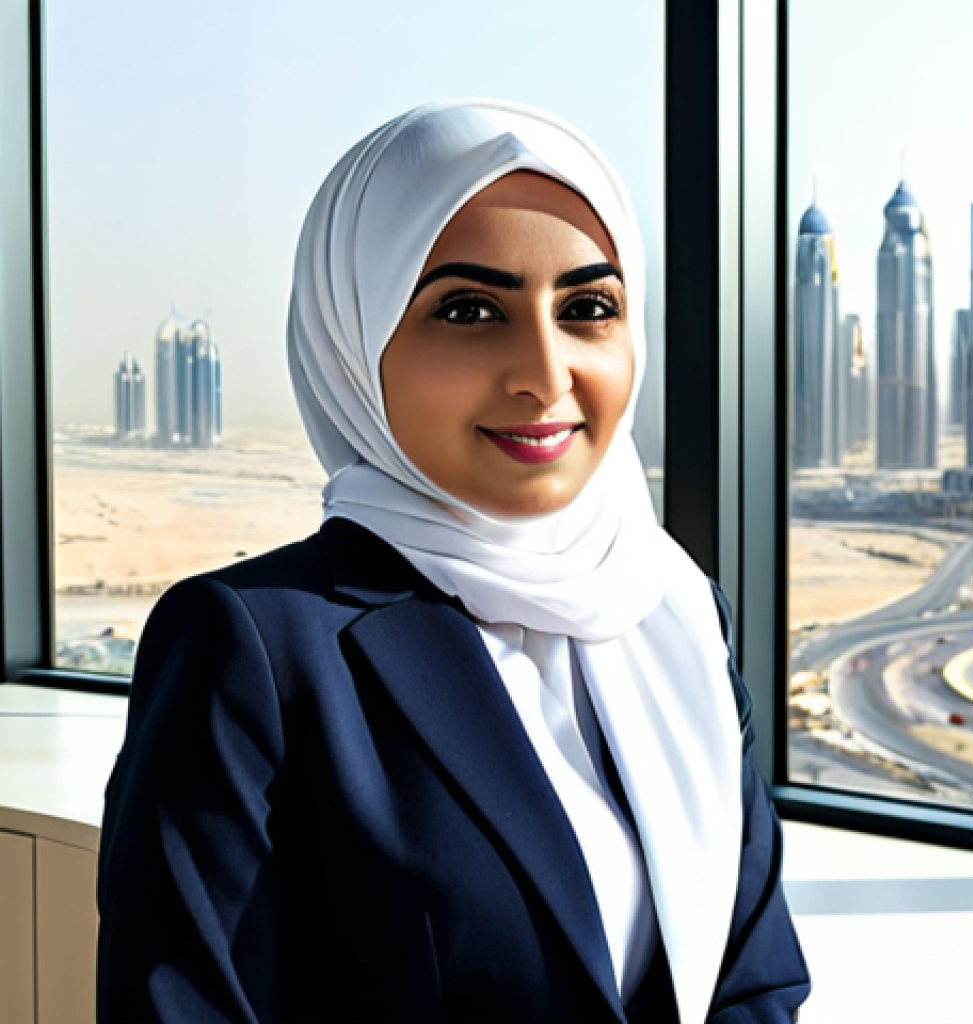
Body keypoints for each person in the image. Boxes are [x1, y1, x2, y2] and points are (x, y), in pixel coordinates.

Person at [97, 100, 810, 1024]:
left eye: (589, 308)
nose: (544, 375)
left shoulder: (675, 612)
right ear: (353, 339)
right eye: (470, 311)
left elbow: (754, 983)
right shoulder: (256, 651)